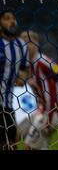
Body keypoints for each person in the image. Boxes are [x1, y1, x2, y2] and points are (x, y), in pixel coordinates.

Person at [0, 8, 29, 150]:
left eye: (12, 18)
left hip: (7, 104)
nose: (11, 21)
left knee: (12, 142)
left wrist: (22, 78)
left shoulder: (21, 45)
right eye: (6, 18)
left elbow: (24, 69)